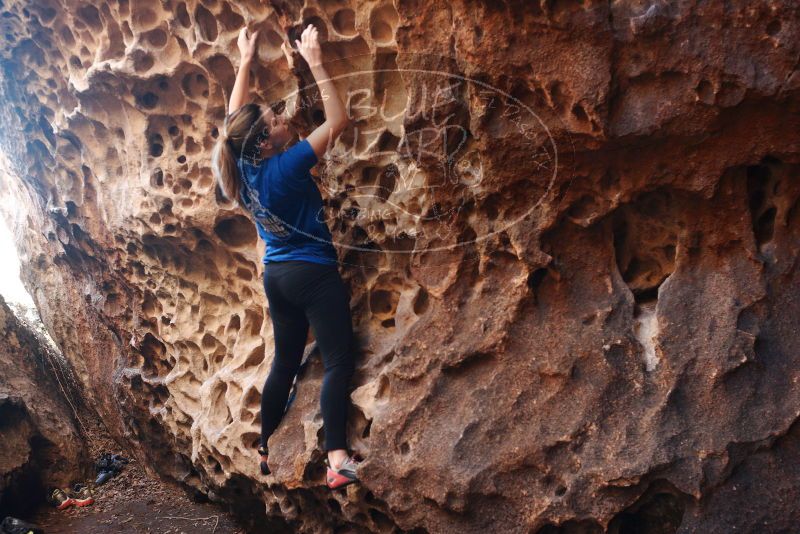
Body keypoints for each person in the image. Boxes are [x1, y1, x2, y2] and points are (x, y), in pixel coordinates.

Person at [211, 24, 360, 489]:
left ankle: (264, 443)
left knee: (284, 362)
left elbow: (236, 116)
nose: (282, 119)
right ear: (267, 141)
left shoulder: (239, 166)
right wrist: (315, 61)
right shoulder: (287, 164)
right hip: (313, 274)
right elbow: (338, 121)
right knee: (339, 360)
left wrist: (245, 59)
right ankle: (337, 458)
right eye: (275, 121)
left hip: (277, 276)